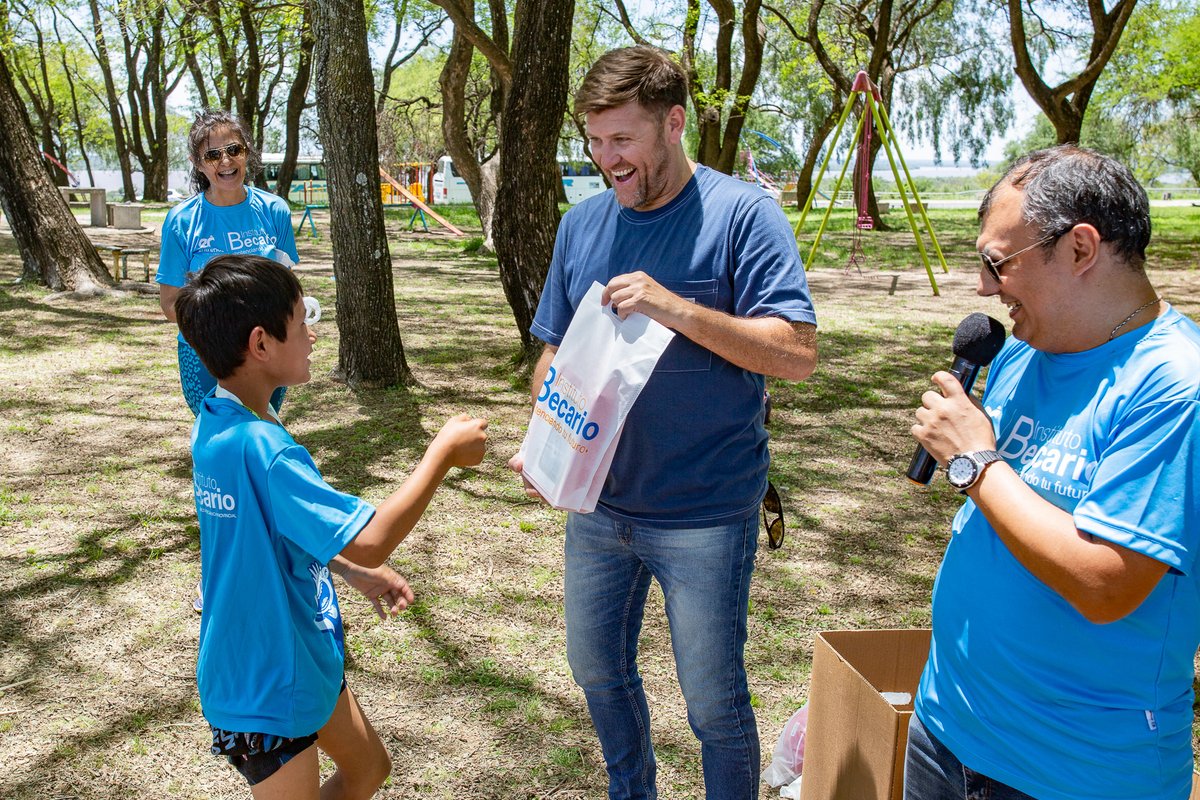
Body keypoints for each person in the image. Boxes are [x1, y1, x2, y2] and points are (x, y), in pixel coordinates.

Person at [508, 46, 818, 799]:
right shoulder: (582, 227)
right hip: (599, 509)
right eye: (593, 140)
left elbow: (797, 353)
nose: (604, 158)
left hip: (705, 514)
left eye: (621, 140)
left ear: (673, 123)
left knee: (713, 705)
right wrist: (543, 442)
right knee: (597, 672)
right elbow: (554, 349)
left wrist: (673, 307)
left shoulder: (744, 214)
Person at [906, 145, 1200, 800]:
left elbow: (1106, 586)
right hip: (945, 729)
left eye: (997, 262)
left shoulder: (1176, 387)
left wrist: (977, 463)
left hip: (1070, 771)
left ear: (1081, 248)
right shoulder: (1022, 355)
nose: (984, 286)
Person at [175, 254, 488, 798]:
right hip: (267, 685)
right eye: (300, 324)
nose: (314, 335)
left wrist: (349, 571)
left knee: (368, 769)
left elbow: (271, 528)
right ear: (261, 345)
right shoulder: (263, 448)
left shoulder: (218, 420)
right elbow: (371, 540)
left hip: (297, 654)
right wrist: (442, 453)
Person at [157, 109, 299, 417]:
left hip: (265, 350)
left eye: (234, 149)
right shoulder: (181, 221)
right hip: (205, 355)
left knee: (264, 428)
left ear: (247, 152)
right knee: (220, 433)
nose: (226, 161)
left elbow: (287, 292)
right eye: (212, 155)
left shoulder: (275, 211)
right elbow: (170, 305)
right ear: (197, 162)